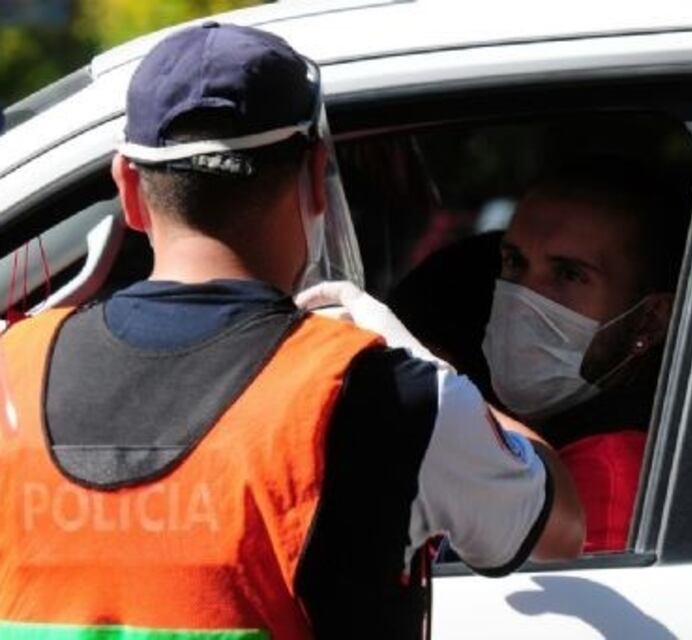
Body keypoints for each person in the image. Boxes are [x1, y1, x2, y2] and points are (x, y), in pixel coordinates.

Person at [0, 23, 583, 640]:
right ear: (315, 178)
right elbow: (561, 527)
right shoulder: (389, 394)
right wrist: (433, 372)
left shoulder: (13, 371)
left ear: (128, 188)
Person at [480, 158, 687, 553]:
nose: (524, 299)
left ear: (649, 321)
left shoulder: (607, 474)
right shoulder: (545, 440)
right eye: (514, 263)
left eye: (569, 275)